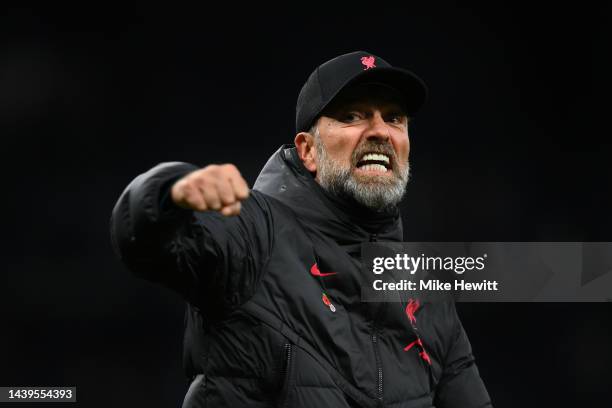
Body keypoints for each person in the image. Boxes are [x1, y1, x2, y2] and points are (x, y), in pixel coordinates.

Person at [110, 51, 492, 408]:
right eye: (353, 116)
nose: (380, 132)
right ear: (308, 150)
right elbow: (145, 242)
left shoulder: (424, 290)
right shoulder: (254, 232)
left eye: (394, 118)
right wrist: (170, 192)